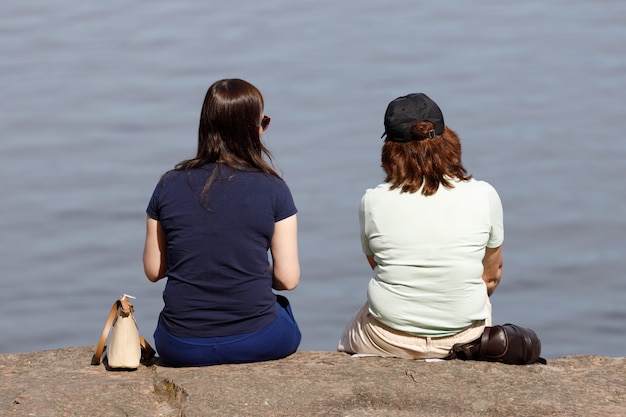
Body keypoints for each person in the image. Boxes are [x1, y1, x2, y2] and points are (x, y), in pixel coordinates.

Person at [143, 78, 301, 367]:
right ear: (255, 130)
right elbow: (287, 280)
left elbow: (154, 271)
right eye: (263, 122)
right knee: (282, 312)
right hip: (259, 339)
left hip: (180, 345)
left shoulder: (168, 185)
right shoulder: (275, 189)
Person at [338, 93, 504, 359]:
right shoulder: (484, 194)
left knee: (348, 337)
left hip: (388, 338)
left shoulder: (373, 201)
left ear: (390, 150)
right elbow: (491, 275)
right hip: (463, 337)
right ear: (449, 139)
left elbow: (378, 264)